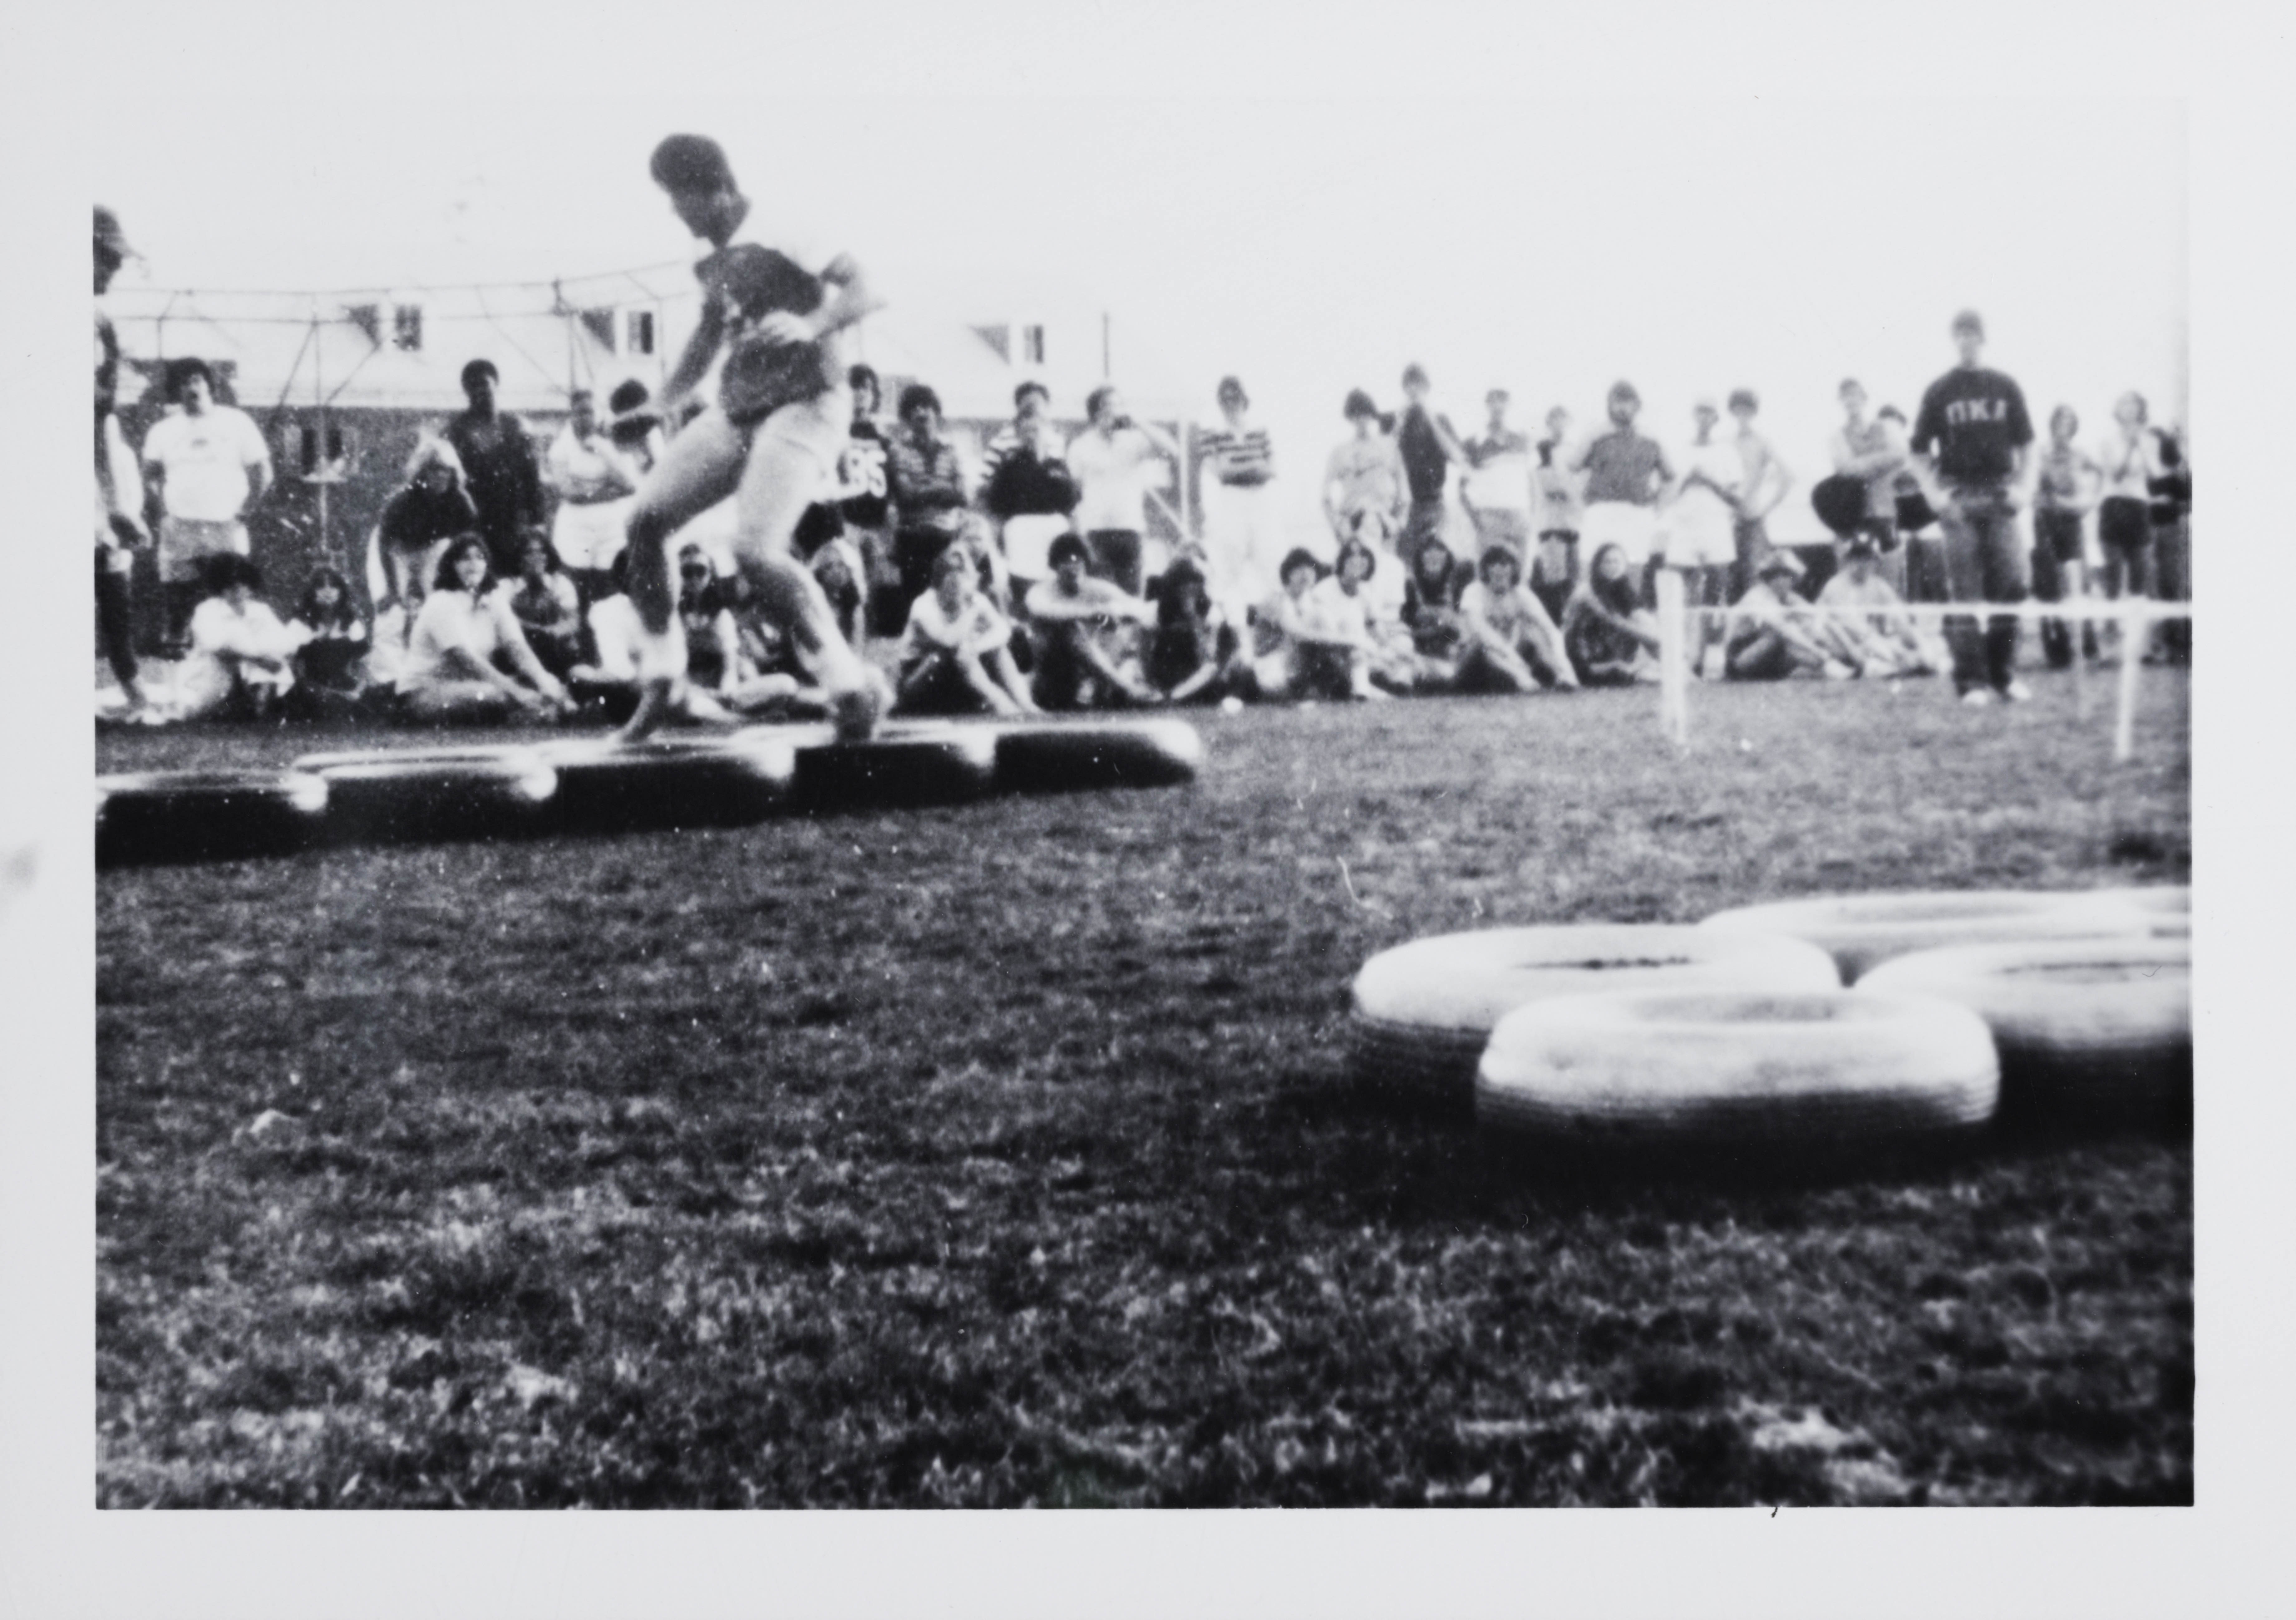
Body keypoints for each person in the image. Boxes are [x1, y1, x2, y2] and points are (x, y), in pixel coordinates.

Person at [618, 133, 887, 742]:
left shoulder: (784, 226)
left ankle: (848, 687)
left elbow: (868, 288)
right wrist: (659, 405)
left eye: (677, 197)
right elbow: (708, 335)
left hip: (807, 401)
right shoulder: (707, 254)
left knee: (756, 551)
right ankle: (665, 681)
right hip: (740, 407)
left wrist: (812, 322)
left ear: (715, 189)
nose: (673, 212)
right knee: (645, 519)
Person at [1910, 309, 2037, 705]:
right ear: (1954, 339)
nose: (1966, 340)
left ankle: (2002, 674)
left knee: (2013, 586)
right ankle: (1971, 682)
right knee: (1964, 593)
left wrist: (2025, 490)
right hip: (1959, 497)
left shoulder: (2005, 385)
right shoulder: (1939, 390)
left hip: (2001, 495)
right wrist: (1934, 496)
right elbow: (1916, 452)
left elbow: (2029, 444)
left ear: (1983, 338)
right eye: (1960, 334)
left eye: (1973, 334)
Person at [139, 357, 273, 653]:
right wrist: (163, 512)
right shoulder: (162, 431)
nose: (192, 387)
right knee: (178, 607)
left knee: (234, 604)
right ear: (177, 390)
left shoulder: (237, 422)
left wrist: (244, 512)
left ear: (209, 385)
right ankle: (178, 687)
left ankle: (239, 680)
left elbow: (263, 473)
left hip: (226, 527)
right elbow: (148, 476)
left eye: (197, 380)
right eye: (184, 383)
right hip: (180, 529)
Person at [398, 535, 575, 723]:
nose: (474, 564)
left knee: (544, 683)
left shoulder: (495, 598)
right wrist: (517, 692)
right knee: (495, 695)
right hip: (425, 692)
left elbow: (517, 648)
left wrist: (544, 682)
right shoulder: (440, 601)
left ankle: (548, 709)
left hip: (473, 684)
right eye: (466, 558)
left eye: (480, 557)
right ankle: (537, 714)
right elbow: (465, 659)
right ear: (452, 565)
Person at [94, 206, 152, 716]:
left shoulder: (100, 324)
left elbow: (99, 418)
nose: (114, 269)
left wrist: (115, 500)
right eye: (105, 257)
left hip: (91, 457)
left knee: (110, 568)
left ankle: (132, 684)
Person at [896, 546, 1037, 717]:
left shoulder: (976, 599)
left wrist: (975, 647)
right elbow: (949, 641)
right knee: (947, 655)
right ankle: (1005, 707)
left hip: (958, 673)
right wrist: (971, 611)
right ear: (939, 582)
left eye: (961, 575)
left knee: (998, 650)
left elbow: (1003, 631)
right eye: (950, 576)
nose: (956, 582)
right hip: (918, 679)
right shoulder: (924, 605)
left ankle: (1026, 706)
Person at [1024, 532, 1160, 710]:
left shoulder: (1097, 589)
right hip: (1051, 672)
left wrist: (1113, 613)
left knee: (1122, 626)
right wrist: (1091, 613)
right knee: (1069, 627)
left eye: (1077, 561)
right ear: (1056, 566)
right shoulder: (1041, 591)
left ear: (1086, 564)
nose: (1072, 567)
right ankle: (1125, 688)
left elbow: (1138, 608)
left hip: (1092, 667)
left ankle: (1103, 687)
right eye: (1066, 561)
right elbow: (1043, 610)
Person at [1066, 385, 1180, 596]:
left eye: (1118, 405)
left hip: (1130, 530)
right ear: (1095, 412)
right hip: (1096, 532)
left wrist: (1137, 422)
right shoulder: (1081, 446)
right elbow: (1074, 492)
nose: (1113, 411)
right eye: (1107, 406)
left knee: (1132, 597)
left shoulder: (1134, 441)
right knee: (1101, 598)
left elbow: (1172, 451)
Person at [1567, 382, 1673, 607]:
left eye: (1628, 403)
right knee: (1592, 566)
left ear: (1637, 406)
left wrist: (1660, 507)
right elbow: (1572, 467)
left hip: (1637, 512)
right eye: (1618, 402)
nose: (1623, 408)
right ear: (1610, 405)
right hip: (1602, 510)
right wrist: (1580, 504)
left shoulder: (1651, 438)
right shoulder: (1596, 434)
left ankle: (1629, 624)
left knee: (1633, 568)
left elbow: (1670, 476)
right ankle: (1590, 619)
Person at [979, 380, 1080, 614]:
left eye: (1037, 429)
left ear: (1046, 428)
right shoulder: (1009, 467)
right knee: (1024, 588)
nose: (1032, 434)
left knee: (1056, 584)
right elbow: (996, 506)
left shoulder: (1058, 465)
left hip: (1054, 528)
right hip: (1021, 530)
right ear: (1019, 432)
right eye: (1026, 430)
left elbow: (1071, 504)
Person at [1659, 398, 1742, 675]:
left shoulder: (1727, 451)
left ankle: (1707, 658)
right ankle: (1679, 657)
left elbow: (1737, 499)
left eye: (1710, 414)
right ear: (1693, 416)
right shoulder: (1680, 451)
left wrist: (1708, 481)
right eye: (1700, 412)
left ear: (1716, 419)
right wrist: (1687, 481)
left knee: (1715, 593)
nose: (1704, 418)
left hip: (1716, 525)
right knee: (1676, 590)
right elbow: (1666, 495)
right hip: (1683, 526)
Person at [443, 359, 546, 579]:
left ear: (496, 385)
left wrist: (537, 522)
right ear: (467, 392)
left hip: (511, 521)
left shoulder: (516, 428)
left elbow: (532, 479)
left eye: (485, 384)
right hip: (472, 521)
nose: (481, 391)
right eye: (474, 387)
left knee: (513, 580)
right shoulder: (456, 431)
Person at [371, 438, 482, 639]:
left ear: (453, 472)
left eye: (446, 470)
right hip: (395, 551)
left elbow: (467, 545)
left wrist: (463, 583)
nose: (440, 475)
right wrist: (393, 589)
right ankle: (388, 663)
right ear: (422, 472)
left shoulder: (461, 503)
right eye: (434, 469)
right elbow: (384, 545)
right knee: (393, 608)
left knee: (440, 602)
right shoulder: (402, 501)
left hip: (432, 549)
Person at [542, 387, 643, 606]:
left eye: (590, 412)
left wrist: (601, 450)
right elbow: (570, 493)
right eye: (579, 412)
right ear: (571, 415)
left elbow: (630, 485)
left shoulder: (612, 442)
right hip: (576, 526)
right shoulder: (561, 447)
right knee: (574, 586)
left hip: (612, 527)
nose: (585, 418)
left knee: (609, 586)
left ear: (599, 414)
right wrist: (610, 491)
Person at [1195, 376, 1283, 622]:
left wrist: (1238, 467)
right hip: (1230, 500)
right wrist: (1255, 465)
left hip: (1260, 500)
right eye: (1225, 399)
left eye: (1235, 397)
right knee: (1226, 562)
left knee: (1269, 559)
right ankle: (1227, 622)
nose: (1231, 403)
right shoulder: (1212, 433)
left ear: (1245, 400)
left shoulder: (1260, 430)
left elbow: (1273, 470)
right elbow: (1219, 472)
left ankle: (1272, 619)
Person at [884, 382, 972, 610]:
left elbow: (963, 496)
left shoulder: (952, 450)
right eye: (914, 408)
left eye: (926, 407)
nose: (921, 412)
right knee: (916, 604)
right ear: (907, 416)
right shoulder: (898, 450)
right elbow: (906, 496)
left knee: (948, 598)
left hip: (947, 537)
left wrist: (925, 491)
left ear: (936, 412)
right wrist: (943, 490)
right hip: (912, 538)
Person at [2030, 405, 2101, 668]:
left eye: (2069, 424)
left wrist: (2088, 501)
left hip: (2072, 521)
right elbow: (2030, 486)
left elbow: (2099, 479)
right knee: (2049, 587)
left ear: (2074, 427)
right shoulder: (2041, 453)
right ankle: (2057, 651)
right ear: (2052, 425)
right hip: (2044, 522)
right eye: (2060, 423)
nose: (2064, 428)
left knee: (2079, 584)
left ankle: (2089, 646)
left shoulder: (2081, 454)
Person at [1827, 379, 1914, 594]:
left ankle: (1890, 626)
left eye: (1855, 395)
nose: (1851, 400)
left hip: (1885, 511)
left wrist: (1862, 464)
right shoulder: (1837, 435)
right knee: (1855, 580)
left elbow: (1901, 455)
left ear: (1864, 399)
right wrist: (1882, 461)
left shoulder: (1885, 427)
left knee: (1890, 577)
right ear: (1840, 401)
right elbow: (1844, 468)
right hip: (1854, 514)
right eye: (1846, 396)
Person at [1456, 544, 1579, 693]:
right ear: (1486, 570)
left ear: (1514, 569)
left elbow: (1549, 629)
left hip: (1510, 660)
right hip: (1473, 661)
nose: (1499, 570)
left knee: (1534, 631)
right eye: (1493, 565)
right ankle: (1523, 679)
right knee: (1484, 646)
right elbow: (1481, 631)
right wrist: (1512, 656)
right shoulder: (1474, 591)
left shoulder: (1522, 594)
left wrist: (1564, 664)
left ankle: (1562, 677)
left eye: (1505, 565)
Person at [1815, 539, 1947, 678]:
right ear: (1848, 561)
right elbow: (1853, 627)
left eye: (1867, 559)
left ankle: (1923, 661)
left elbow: (1899, 617)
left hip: (1872, 640)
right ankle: (1899, 664)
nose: (1862, 564)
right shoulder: (1835, 586)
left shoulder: (1878, 584)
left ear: (1874, 562)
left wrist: (1914, 640)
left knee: (1923, 640)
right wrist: (1894, 650)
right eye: (1857, 558)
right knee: (1876, 647)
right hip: (1844, 643)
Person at [1296, 538, 1406, 700]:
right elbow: (1329, 636)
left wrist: (1389, 650)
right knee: (1358, 656)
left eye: (1362, 564)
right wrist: (1363, 646)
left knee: (1394, 663)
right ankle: (1362, 692)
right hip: (1329, 653)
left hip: (1359, 653)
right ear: (1342, 564)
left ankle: (1371, 689)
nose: (1358, 568)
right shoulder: (1324, 592)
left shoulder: (1365, 593)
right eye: (1352, 563)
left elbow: (1374, 627)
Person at [1393, 364, 1475, 579]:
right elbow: (1388, 457)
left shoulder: (1440, 419)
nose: (1414, 389)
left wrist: (1429, 417)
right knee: (1406, 568)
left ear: (1427, 388)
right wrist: (1400, 422)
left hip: (1434, 503)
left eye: (1418, 384)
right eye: (1409, 384)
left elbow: (1457, 457)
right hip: (1404, 506)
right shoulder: (1397, 421)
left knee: (1436, 562)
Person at [1724, 551, 1859, 681]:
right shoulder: (1758, 597)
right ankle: (1830, 666)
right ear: (1771, 577)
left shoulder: (1788, 597)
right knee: (1785, 636)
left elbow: (1819, 616)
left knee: (1807, 632)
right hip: (1739, 659)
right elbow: (1783, 630)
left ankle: (1839, 665)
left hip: (1764, 656)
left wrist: (1849, 649)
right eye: (1782, 575)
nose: (1789, 581)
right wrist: (1819, 651)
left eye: (1790, 576)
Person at [1145, 556, 1251, 704]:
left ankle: (1174, 697)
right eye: (1183, 588)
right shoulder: (1158, 611)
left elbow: (1207, 659)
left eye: (1193, 588)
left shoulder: (1211, 613)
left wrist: (1194, 620)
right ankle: (1159, 695)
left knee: (1211, 670)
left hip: (1196, 674)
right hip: (1167, 670)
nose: (1189, 593)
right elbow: (1146, 653)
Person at [1562, 541, 1663, 686]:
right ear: (1598, 566)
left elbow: (1642, 620)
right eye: (1607, 562)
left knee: (1644, 624)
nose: (1612, 566)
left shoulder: (1624, 591)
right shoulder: (1587, 591)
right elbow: (1612, 620)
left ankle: (1670, 666)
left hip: (1612, 653)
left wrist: (1656, 637)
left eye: (1617, 562)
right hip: (1584, 657)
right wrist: (1658, 640)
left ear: (1624, 565)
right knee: (1644, 640)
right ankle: (1667, 666)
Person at [1726, 388, 1794, 599]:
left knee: (1754, 580)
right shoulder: (1725, 443)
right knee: (1726, 579)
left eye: (1748, 410)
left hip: (1753, 519)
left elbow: (1788, 477)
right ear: (1733, 412)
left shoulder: (1762, 442)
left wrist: (1766, 508)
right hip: (1728, 521)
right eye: (1738, 410)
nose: (1743, 416)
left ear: (1754, 413)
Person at [1322, 389, 1405, 556]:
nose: (1361, 419)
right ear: (1350, 418)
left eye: (1365, 413)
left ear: (1372, 414)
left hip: (1384, 522)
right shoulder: (1340, 452)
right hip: (1353, 522)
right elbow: (1325, 497)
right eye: (1355, 414)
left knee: (1387, 571)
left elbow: (1403, 489)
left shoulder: (1389, 446)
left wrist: (1399, 522)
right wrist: (1338, 526)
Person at [283, 564, 372, 719]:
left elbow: (365, 664)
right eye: (321, 586)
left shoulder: (351, 623)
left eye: (333, 586)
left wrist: (358, 691)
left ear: (341, 592)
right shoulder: (300, 624)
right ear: (312, 592)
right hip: (309, 688)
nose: (328, 591)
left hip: (345, 686)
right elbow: (291, 666)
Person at [1461, 387, 1535, 566]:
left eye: (1502, 400)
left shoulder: (1524, 439)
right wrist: (1477, 520)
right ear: (1487, 405)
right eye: (1493, 401)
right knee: (1490, 573)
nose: (1498, 406)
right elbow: (1462, 489)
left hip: (1519, 516)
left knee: (1520, 575)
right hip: (1490, 517)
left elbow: (1533, 482)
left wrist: (1532, 516)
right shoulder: (1474, 442)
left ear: (1509, 405)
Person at [498, 532, 587, 680]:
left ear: (548, 557)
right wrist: (532, 629)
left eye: (542, 552)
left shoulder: (560, 583)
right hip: (521, 645)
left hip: (554, 646)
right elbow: (503, 621)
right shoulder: (507, 587)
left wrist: (551, 632)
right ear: (519, 559)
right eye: (529, 553)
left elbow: (573, 622)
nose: (537, 557)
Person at [1530, 406, 1584, 623]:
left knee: (1574, 581)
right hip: (1550, 524)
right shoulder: (1541, 449)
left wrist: (1570, 488)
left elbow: (1580, 486)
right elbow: (1549, 487)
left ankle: (1571, 627)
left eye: (1564, 419)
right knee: (1554, 583)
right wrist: (1564, 485)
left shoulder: (1575, 451)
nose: (1559, 424)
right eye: (1554, 420)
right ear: (1548, 423)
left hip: (1574, 523)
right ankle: (1555, 625)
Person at [1400, 536, 1471, 690]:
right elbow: (1405, 626)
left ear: (1448, 557)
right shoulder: (1410, 587)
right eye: (1428, 551)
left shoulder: (1456, 587)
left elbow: (1463, 624)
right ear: (1420, 557)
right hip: (1420, 646)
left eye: (1440, 551)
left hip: (1450, 646)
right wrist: (1434, 629)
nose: (1434, 555)